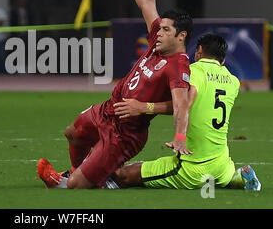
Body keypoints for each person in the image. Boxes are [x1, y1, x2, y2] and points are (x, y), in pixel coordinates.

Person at [37, 0, 193, 189]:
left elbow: (182, 104)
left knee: (77, 187)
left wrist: (168, 127)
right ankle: (80, 172)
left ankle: (73, 181)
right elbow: (146, 1)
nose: (159, 32)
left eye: (166, 30)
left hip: (127, 133)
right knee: (73, 134)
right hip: (108, 110)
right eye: (161, 27)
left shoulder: (179, 65)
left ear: (182, 37)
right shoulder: (157, 42)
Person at [109, 34, 261, 191]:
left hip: (192, 168)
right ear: (222, 60)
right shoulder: (233, 81)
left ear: (199, 51)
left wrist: (143, 107)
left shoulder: (193, 71)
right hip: (222, 164)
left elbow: (183, 105)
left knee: (123, 175)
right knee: (225, 178)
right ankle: (239, 178)